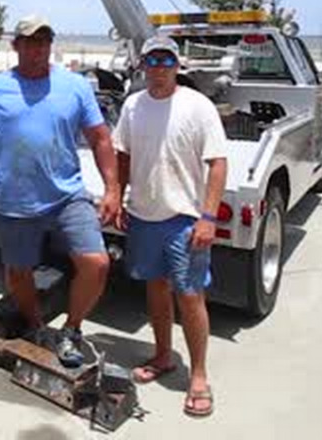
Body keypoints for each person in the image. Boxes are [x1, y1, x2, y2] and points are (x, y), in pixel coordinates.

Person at [0, 14, 120, 368]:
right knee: (19, 273)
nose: (38, 48)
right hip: (14, 201)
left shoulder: (75, 86)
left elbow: (100, 138)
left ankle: (72, 330)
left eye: (44, 41)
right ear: (16, 45)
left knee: (96, 263)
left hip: (66, 196)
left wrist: (112, 189)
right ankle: (36, 327)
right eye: (30, 41)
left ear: (51, 45)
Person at [111, 33, 227, 418]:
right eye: (152, 60)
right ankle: (162, 355)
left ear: (177, 65)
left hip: (185, 218)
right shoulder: (132, 105)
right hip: (144, 216)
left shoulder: (198, 106)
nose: (159, 68)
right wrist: (118, 197)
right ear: (142, 65)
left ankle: (199, 375)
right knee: (155, 289)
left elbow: (217, 163)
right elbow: (123, 156)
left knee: (190, 296)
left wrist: (208, 217)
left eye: (166, 61)